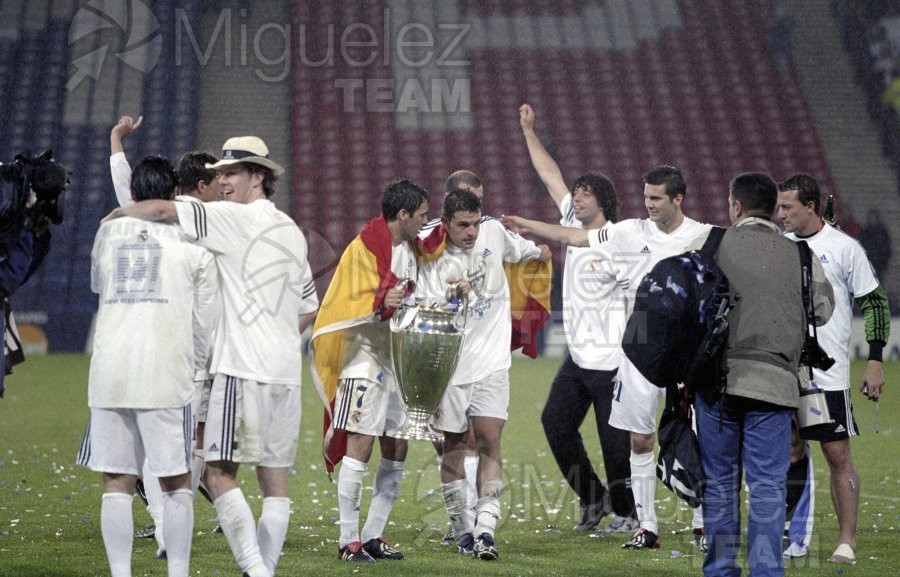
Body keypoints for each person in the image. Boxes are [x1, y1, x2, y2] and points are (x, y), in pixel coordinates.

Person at [103, 136, 320, 577]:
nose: (221, 181)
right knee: (274, 482)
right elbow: (308, 307)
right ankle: (265, 567)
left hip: (242, 367)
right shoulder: (291, 231)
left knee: (217, 475)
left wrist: (118, 217)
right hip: (285, 372)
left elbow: (164, 210)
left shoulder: (230, 218)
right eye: (219, 173)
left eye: (231, 172)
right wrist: (274, 335)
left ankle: (256, 569)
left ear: (258, 176)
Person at [503, 165, 710, 550]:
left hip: (629, 357)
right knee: (566, 426)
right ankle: (608, 505)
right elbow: (559, 200)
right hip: (590, 358)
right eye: (645, 197)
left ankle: (650, 515)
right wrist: (527, 220)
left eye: (656, 197)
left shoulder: (670, 237)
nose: (648, 204)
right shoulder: (611, 230)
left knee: (639, 442)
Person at [79, 155, 219, 577]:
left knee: (116, 483)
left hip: (109, 374)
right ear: (175, 193)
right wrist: (198, 369)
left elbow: (98, 285)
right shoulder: (194, 244)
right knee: (176, 483)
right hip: (166, 373)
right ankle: (178, 572)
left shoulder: (107, 232)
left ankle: (121, 573)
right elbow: (204, 323)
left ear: (134, 194)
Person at [694, 172, 834, 577]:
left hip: (717, 383)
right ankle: (766, 570)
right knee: (768, 487)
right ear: (773, 209)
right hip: (774, 384)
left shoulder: (710, 245)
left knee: (720, 484)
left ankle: (721, 569)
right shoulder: (801, 255)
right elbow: (823, 310)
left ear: (736, 206)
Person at [517, 103, 636, 534]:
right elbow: (550, 175)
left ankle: (629, 514)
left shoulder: (618, 239)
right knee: (556, 424)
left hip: (612, 361)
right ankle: (594, 498)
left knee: (615, 446)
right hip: (578, 358)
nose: (577, 197)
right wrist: (529, 131)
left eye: (586, 193)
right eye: (578, 192)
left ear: (603, 201)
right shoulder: (571, 219)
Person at [108, 114, 222, 553]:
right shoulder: (194, 223)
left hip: (146, 349)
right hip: (187, 350)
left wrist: (116, 141)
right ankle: (171, 522)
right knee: (184, 441)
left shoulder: (135, 221)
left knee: (165, 443)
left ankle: (165, 523)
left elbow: (125, 189)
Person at [418, 189, 550, 560]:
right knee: (454, 448)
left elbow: (526, 251)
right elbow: (420, 311)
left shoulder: (493, 232)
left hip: (492, 362)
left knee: (490, 440)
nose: (472, 232)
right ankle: (462, 528)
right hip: (451, 367)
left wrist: (541, 255)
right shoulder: (429, 254)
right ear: (446, 223)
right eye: (463, 225)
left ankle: (486, 531)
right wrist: (450, 297)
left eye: (475, 223)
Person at [309, 179, 430, 563]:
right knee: (360, 443)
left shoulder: (412, 250)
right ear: (403, 214)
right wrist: (380, 301)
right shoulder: (362, 248)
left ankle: (374, 534)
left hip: (396, 360)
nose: (425, 222)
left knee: (397, 445)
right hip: (362, 360)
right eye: (421, 215)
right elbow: (347, 299)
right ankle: (348, 541)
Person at [777, 173, 890, 565]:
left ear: (810, 206)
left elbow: (875, 303)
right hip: (782, 371)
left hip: (824, 377)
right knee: (789, 449)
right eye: (779, 206)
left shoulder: (844, 248)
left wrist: (874, 360)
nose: (781, 214)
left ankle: (847, 541)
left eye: (788, 206)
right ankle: (790, 533)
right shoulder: (780, 247)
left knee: (836, 452)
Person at [857, 208, 892, 281]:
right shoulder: (865, 232)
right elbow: (861, 246)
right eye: (869, 218)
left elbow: (885, 249)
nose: (870, 219)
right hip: (868, 265)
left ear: (877, 218)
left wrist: (881, 262)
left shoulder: (882, 232)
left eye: (872, 217)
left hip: (879, 265)